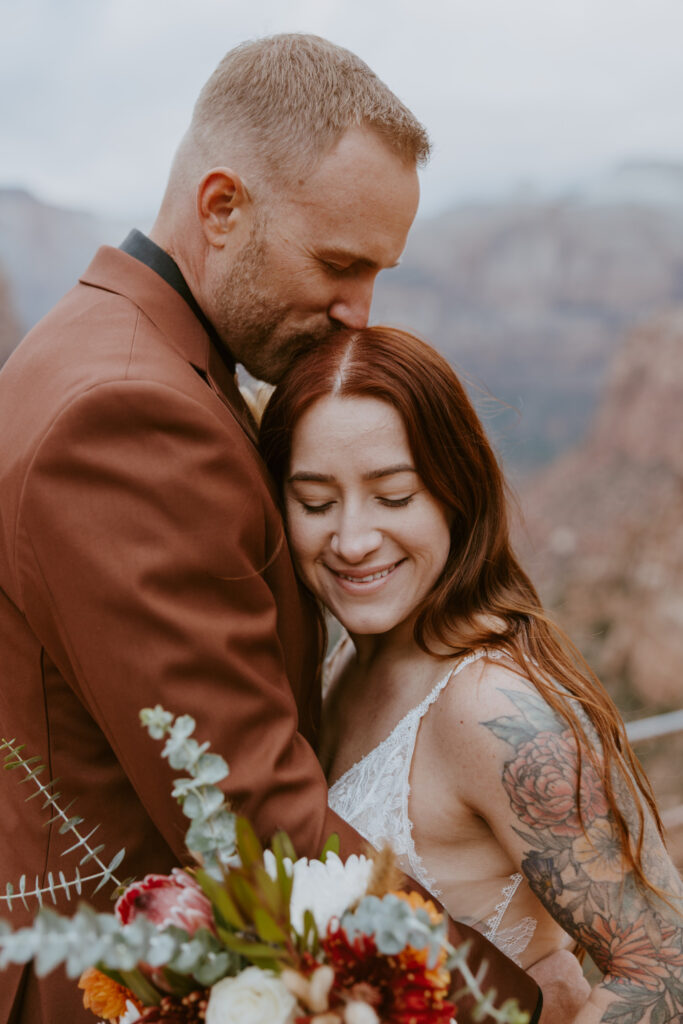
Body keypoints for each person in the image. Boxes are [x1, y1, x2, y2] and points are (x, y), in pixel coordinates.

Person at [0, 33, 577, 1024]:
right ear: (221, 207)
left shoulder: (95, 342)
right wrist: (507, 1007)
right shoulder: (131, 416)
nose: (360, 315)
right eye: (338, 263)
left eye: (378, 271)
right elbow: (253, 819)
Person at [259, 325, 683, 1023]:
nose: (353, 540)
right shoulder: (344, 658)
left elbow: (663, 964)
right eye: (314, 502)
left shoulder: (491, 708)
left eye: (393, 496)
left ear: (455, 492)